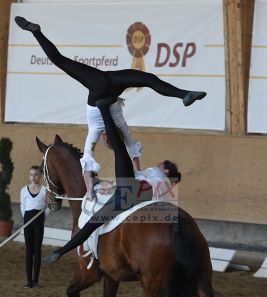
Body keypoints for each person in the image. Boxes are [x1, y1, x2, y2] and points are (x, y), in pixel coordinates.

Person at [15, 16, 204, 200]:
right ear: (115, 138)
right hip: (112, 84)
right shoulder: (121, 127)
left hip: (100, 87)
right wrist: (136, 172)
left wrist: (89, 190)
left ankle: (36, 32)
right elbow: (132, 150)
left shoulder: (95, 130)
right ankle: (184, 95)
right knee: (149, 79)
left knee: (62, 62)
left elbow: (87, 162)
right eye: (108, 140)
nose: (105, 139)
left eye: (105, 141)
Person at [44, 97, 181, 265]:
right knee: (95, 222)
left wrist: (95, 189)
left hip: (132, 190)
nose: (157, 164)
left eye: (161, 164)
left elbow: (137, 172)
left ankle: (61, 251)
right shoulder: (163, 183)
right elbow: (137, 171)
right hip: (132, 194)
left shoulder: (158, 173)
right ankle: (61, 251)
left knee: (93, 223)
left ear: (166, 170)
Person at [20, 165, 50, 288]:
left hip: (39, 221)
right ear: (29, 175)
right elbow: (22, 205)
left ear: (40, 176)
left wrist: (42, 218)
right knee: (29, 251)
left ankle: (36, 280)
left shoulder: (44, 190)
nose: (34, 177)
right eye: (31, 174)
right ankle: (28, 281)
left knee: (37, 250)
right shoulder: (23, 190)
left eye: (36, 174)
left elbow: (49, 207)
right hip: (27, 220)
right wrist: (26, 219)